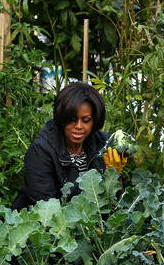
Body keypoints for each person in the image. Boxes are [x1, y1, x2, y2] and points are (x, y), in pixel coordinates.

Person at [12, 82, 126, 210]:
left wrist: (115, 175)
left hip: (95, 225)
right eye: (71, 119)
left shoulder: (104, 145)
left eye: (86, 120)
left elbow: (118, 204)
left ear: (95, 120)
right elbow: (46, 209)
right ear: (61, 117)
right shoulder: (41, 151)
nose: (78, 126)